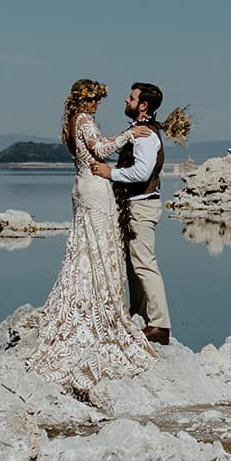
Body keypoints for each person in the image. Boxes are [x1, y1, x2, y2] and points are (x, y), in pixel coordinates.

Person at [25, 79, 158, 394]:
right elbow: (99, 149)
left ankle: (87, 302)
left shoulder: (73, 122)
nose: (99, 104)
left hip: (82, 187)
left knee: (86, 250)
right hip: (95, 190)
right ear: (84, 100)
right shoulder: (83, 121)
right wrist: (128, 135)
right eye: (95, 99)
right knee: (98, 250)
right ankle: (99, 312)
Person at [91, 82, 171, 344]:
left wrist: (110, 173)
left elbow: (142, 172)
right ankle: (138, 314)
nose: (126, 100)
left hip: (142, 205)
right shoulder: (140, 131)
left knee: (144, 264)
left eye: (131, 97)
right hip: (135, 204)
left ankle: (160, 324)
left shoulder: (146, 134)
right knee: (134, 264)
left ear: (143, 105)